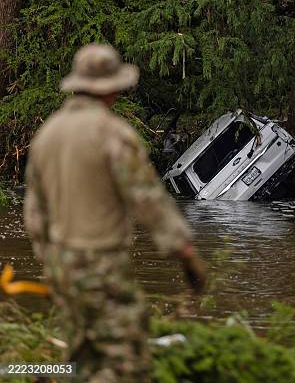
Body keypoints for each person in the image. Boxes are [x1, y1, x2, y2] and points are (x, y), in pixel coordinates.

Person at [23, 44, 207, 382]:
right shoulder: (113, 135)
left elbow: (34, 213)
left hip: (60, 265)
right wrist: (184, 250)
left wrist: (51, 259)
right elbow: (148, 199)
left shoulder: (47, 134)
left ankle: (52, 377)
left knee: (83, 351)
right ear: (111, 89)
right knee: (127, 362)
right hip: (101, 265)